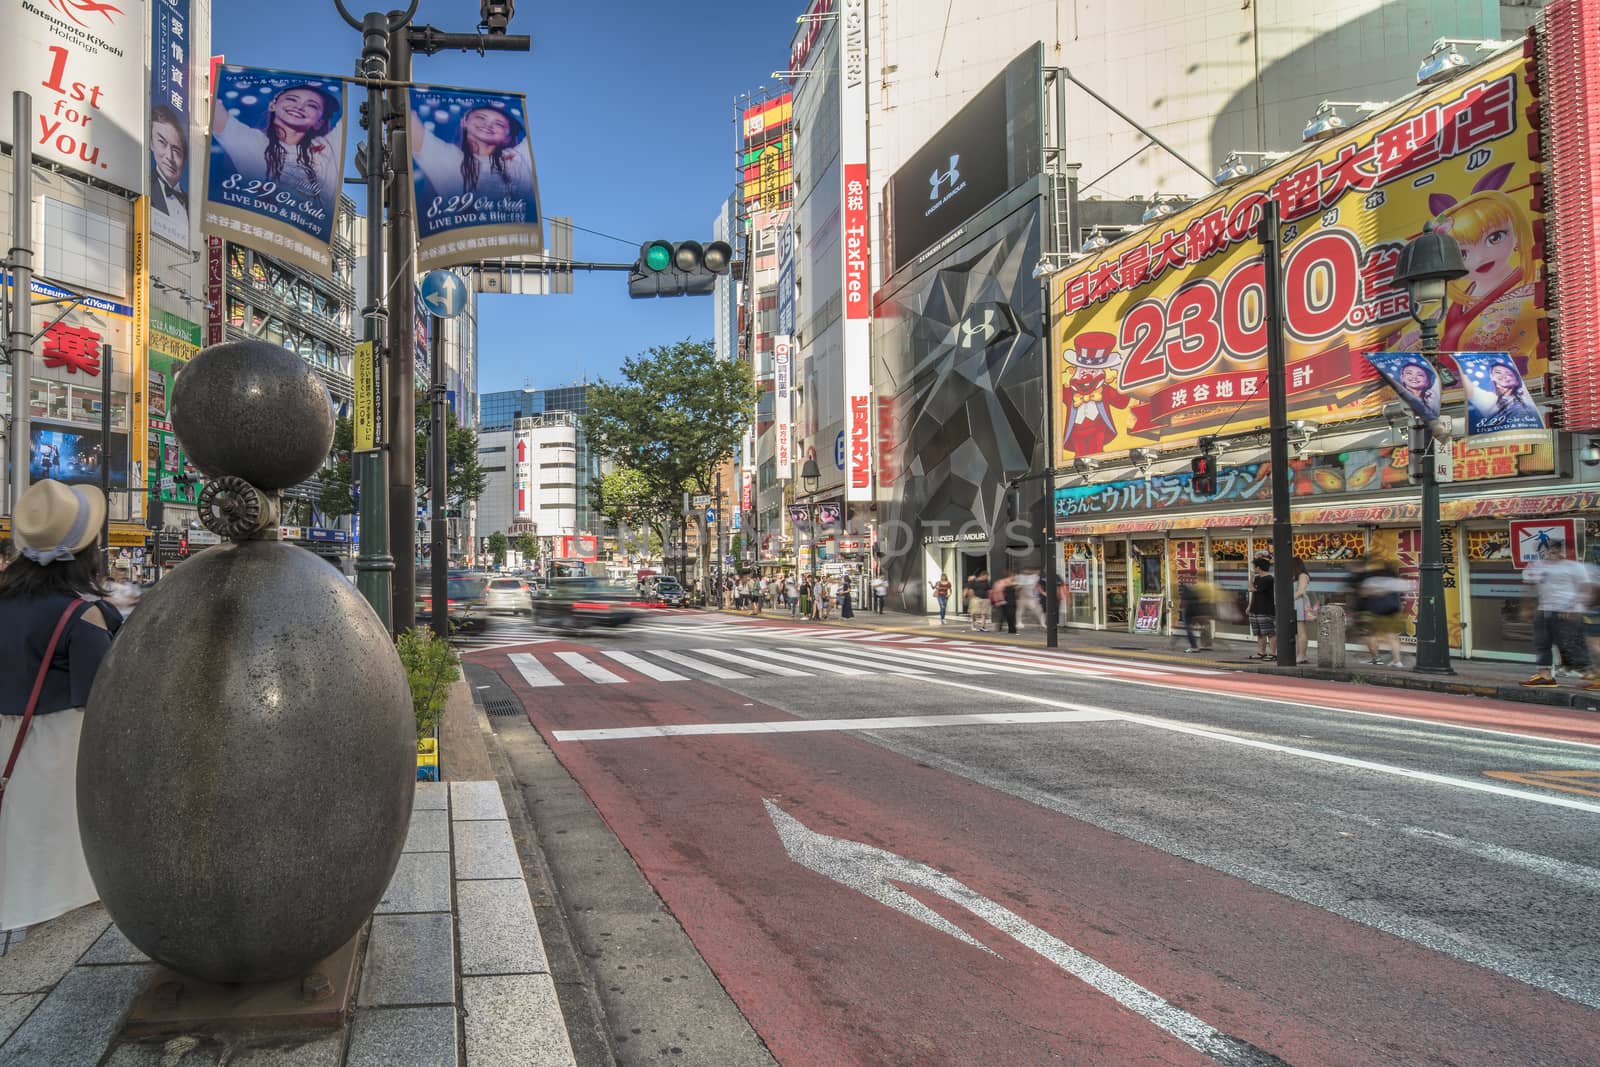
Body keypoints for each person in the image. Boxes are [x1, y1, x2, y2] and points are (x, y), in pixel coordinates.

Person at [1, 480, 121, 936]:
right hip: (55, 756)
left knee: (19, 867)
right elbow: (102, 700)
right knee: (60, 877)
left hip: (8, 753)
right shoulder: (81, 617)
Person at [212, 83, 342, 206]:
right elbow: (209, 103)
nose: (299, 107)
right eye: (291, 99)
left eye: (312, 105)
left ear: (319, 121)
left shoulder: (327, 148)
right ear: (272, 106)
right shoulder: (253, 142)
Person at [410, 105, 535, 201]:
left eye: (499, 124)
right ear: (464, 122)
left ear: (507, 136)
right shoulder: (449, 159)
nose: (488, 124)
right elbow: (411, 125)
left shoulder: (519, 159)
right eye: (480, 117)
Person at [1520, 543, 1599, 688]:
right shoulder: (1537, 566)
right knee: (1541, 644)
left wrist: (1575, 607)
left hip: (1566, 613)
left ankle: (1595, 676)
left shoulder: (1574, 567)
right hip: (1544, 611)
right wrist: (1527, 607)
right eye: (1550, 550)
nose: (1553, 552)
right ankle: (1545, 676)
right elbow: (1530, 587)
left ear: (1563, 552)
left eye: (1557, 550)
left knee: (1573, 646)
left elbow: (1586, 589)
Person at [1353, 555, 1408, 668]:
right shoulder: (1396, 579)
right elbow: (1403, 593)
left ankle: (1376, 658)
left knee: (1369, 634)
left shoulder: (1373, 578)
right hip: (1394, 610)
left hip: (1377, 610)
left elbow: (1364, 593)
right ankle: (1397, 661)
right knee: (1392, 636)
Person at [149, 105, 189, 242]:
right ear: (151, 143)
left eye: (177, 150)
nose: (169, 157)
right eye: (162, 143)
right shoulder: (145, 187)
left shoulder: (190, 202)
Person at [1247, 555, 1276, 660]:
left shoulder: (1268, 578)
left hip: (1266, 609)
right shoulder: (1258, 578)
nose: (1253, 569)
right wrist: (1250, 606)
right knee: (1259, 632)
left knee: (1270, 632)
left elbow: (1251, 589)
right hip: (1256, 608)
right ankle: (1261, 652)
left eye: (1254, 567)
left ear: (1258, 568)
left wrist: (1251, 577)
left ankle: (1273, 654)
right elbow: (1254, 593)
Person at [1178, 579, 1213, 652]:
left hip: (1189, 612)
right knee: (1205, 625)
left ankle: (1194, 646)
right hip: (1198, 611)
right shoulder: (1198, 589)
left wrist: (1181, 610)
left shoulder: (1185, 589)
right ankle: (1206, 645)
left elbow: (1183, 602)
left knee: (1188, 628)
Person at [1292, 557, 1314, 665]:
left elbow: (1301, 591)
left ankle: (1302, 655)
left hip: (1300, 604)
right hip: (1297, 604)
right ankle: (1299, 654)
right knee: (1298, 632)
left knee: (1301, 631)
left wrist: (1288, 599)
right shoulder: (1297, 576)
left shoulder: (1302, 576)